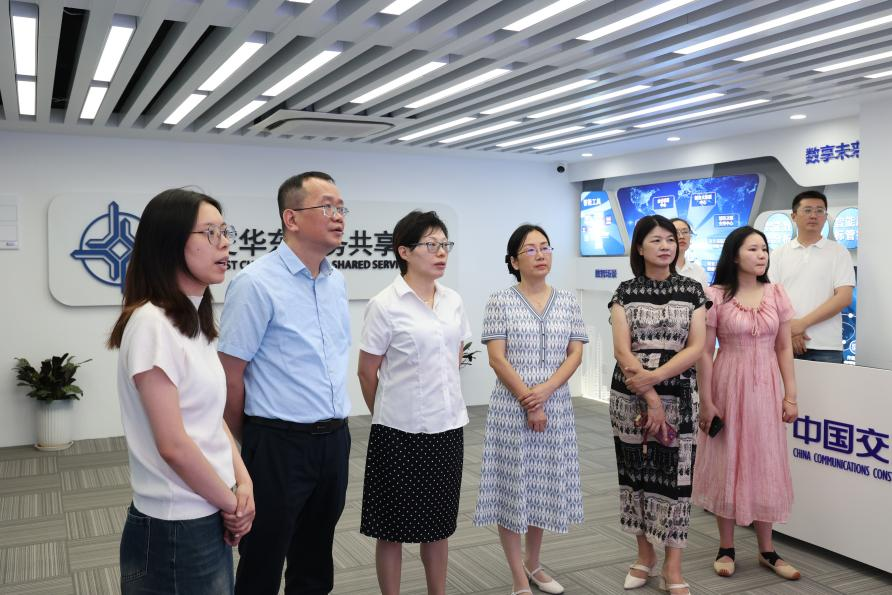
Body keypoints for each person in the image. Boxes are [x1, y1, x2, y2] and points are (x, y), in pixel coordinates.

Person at [109, 189, 255, 595]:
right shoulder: (152, 324)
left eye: (225, 231)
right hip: (176, 524)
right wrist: (232, 504)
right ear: (170, 242)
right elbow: (173, 445)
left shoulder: (194, 321)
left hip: (208, 507)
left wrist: (243, 483)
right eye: (210, 233)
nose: (224, 243)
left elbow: (209, 418)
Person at [218, 172, 351, 595]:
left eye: (341, 208)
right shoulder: (256, 283)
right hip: (277, 444)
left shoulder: (335, 280)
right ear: (291, 219)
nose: (338, 216)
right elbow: (230, 375)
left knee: (315, 559)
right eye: (327, 206)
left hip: (333, 440)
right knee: (263, 559)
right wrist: (248, 443)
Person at [357, 210, 471, 595]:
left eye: (444, 244)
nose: (441, 252)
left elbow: (454, 357)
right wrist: (387, 413)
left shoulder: (453, 301)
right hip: (397, 432)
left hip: (447, 428)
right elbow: (367, 372)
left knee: (438, 527)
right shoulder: (385, 304)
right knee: (391, 530)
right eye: (431, 245)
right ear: (404, 251)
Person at [474, 224, 588, 595]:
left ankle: (534, 563)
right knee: (513, 489)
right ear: (513, 261)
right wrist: (529, 399)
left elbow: (575, 353)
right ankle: (518, 577)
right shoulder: (500, 301)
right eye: (531, 249)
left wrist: (547, 391)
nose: (541, 255)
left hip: (556, 407)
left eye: (545, 247)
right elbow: (497, 358)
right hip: (511, 409)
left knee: (542, 487)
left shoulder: (567, 300)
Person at [692, 225, 801, 582]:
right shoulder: (715, 296)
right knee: (727, 459)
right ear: (734, 255)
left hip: (766, 386)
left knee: (765, 459)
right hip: (727, 383)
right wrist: (706, 400)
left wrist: (791, 394)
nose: (761, 255)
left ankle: (767, 550)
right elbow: (704, 352)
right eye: (753, 249)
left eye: (764, 249)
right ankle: (726, 547)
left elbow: (783, 347)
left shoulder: (776, 293)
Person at [608, 215, 707, 595]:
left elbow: (697, 347)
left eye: (670, 239)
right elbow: (622, 351)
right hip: (631, 394)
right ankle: (644, 556)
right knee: (636, 475)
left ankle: (673, 565)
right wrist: (650, 394)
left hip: (679, 393)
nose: (666, 246)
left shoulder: (693, 290)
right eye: (656, 240)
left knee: (677, 480)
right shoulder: (624, 292)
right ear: (639, 247)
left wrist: (656, 376)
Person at [769, 190, 855, 363]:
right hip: (784, 342)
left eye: (819, 211)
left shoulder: (839, 252)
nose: (814, 215)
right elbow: (770, 298)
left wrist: (802, 324)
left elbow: (844, 297)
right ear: (794, 216)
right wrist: (790, 330)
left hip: (826, 346)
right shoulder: (778, 254)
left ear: (825, 216)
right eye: (807, 210)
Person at [670, 217, 709, 289]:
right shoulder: (659, 269)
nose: (681, 236)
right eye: (676, 232)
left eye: (685, 232)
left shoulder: (699, 271)